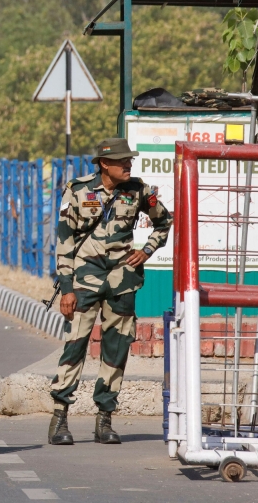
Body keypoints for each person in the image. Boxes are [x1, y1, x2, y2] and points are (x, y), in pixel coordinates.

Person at [48, 138, 172, 446]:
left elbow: (164, 222)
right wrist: (66, 288)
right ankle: (60, 417)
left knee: (116, 351)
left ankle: (104, 420)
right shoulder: (77, 191)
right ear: (105, 164)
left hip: (122, 282)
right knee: (75, 346)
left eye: (129, 160)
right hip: (83, 282)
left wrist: (146, 251)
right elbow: (64, 241)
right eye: (122, 161)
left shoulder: (140, 191)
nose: (128, 165)